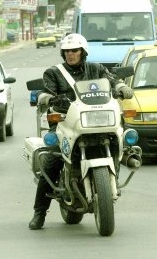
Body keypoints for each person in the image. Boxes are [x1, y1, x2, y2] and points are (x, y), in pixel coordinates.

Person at [28, 33, 133, 230]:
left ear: (83, 52)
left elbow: (110, 80)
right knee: (52, 161)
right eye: (67, 51)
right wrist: (48, 99)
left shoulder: (96, 68)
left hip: (96, 120)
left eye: (74, 50)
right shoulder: (54, 72)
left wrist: (121, 87)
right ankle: (39, 212)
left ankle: (121, 164)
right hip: (65, 123)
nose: (70, 54)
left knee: (124, 138)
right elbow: (44, 92)